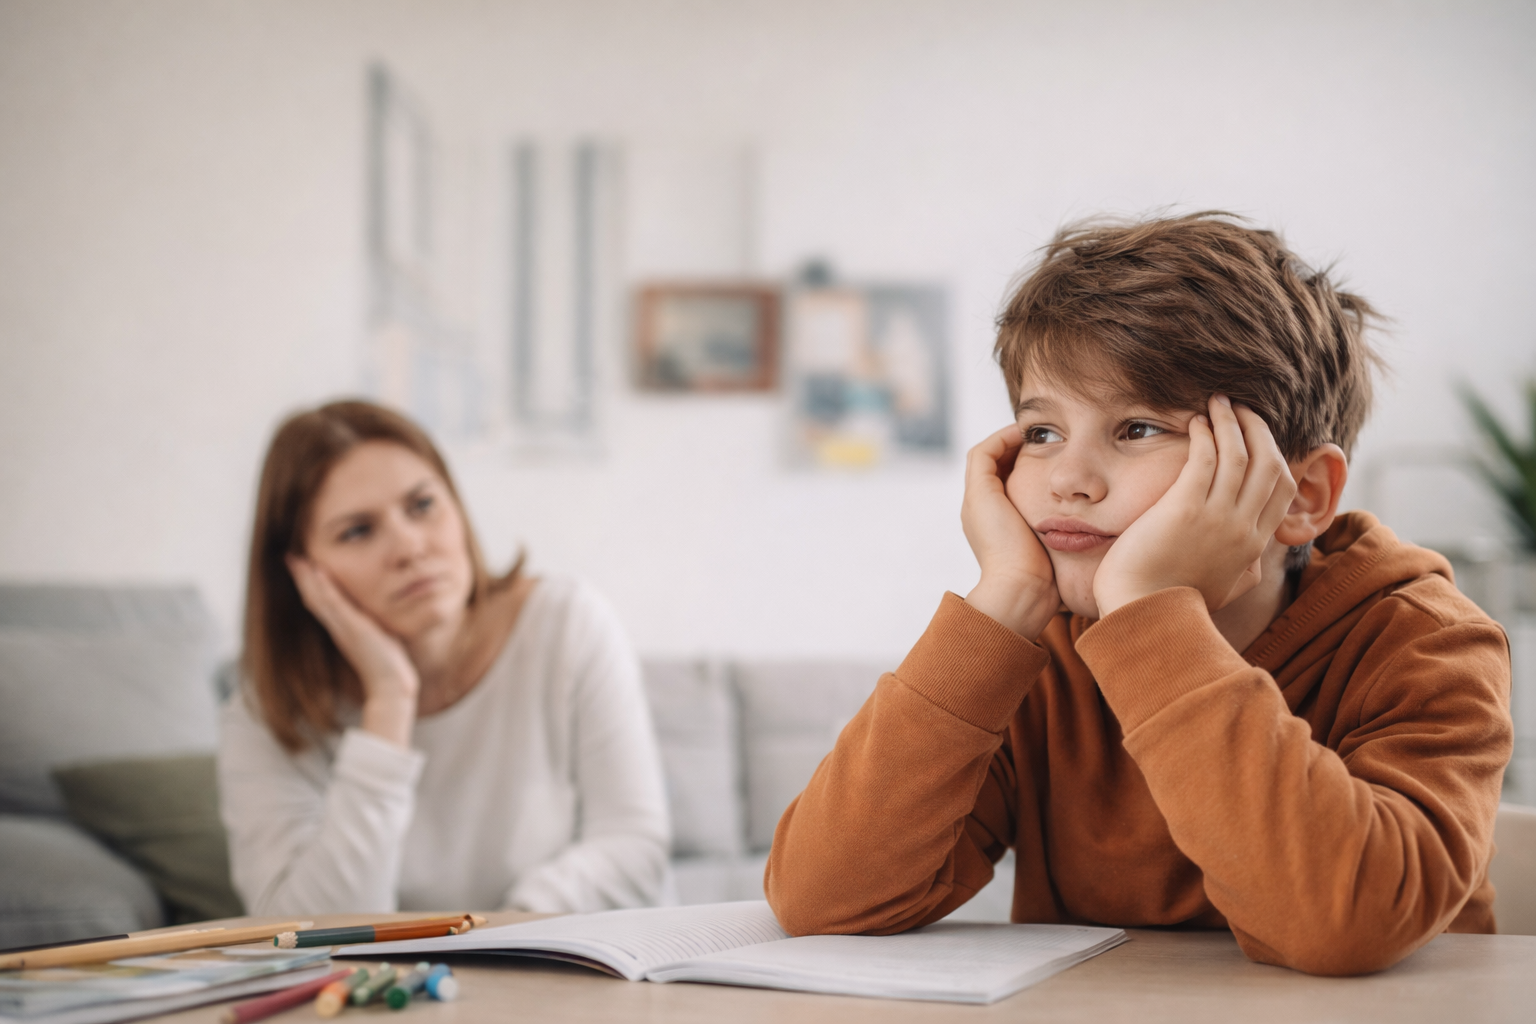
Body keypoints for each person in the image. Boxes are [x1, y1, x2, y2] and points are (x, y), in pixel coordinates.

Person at [764, 212, 1513, 975]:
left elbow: (1340, 923)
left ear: (1300, 496)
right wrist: (1003, 603)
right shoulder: (1038, 645)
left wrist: (1151, 615)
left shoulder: (1427, 642)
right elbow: (825, 902)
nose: (1068, 479)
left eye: (1140, 429)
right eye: (1043, 433)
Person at [219, 400, 670, 915]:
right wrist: (388, 702)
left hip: (570, 971)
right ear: (300, 574)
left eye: (422, 506)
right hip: (394, 992)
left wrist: (511, 931)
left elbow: (635, 847)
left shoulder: (566, 623)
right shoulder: (266, 714)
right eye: (358, 531)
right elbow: (306, 930)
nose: (410, 547)